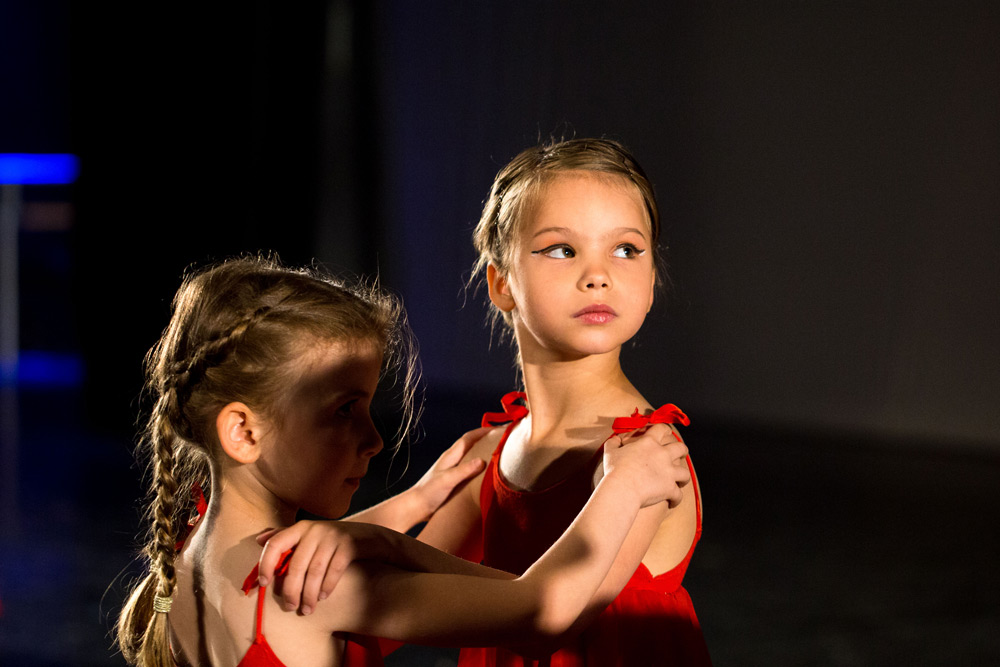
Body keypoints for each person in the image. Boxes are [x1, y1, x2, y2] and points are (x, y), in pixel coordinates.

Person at [116, 255, 693, 667]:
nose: (373, 439)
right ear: (243, 431)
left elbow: (311, 551)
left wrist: (416, 501)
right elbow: (539, 611)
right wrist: (623, 484)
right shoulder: (313, 588)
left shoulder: (187, 559)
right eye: (344, 411)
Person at [423, 137, 713, 665]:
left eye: (626, 250)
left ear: (650, 283)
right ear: (501, 283)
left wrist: (386, 552)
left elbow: (544, 625)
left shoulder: (646, 457)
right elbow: (402, 594)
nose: (598, 275)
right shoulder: (493, 451)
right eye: (562, 249)